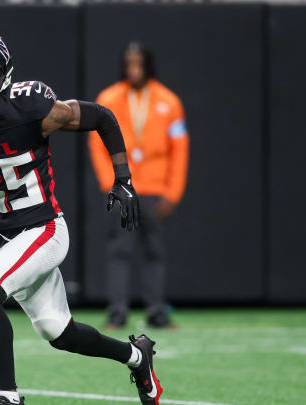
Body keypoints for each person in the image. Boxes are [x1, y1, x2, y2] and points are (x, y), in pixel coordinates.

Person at [0, 28, 162, 405]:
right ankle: (137, 357)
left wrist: (123, 179)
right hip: (6, 240)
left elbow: (102, 116)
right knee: (59, 333)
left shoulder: (30, 106)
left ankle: (9, 396)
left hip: (45, 228)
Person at [89, 41, 189, 329]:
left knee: (154, 252)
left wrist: (173, 192)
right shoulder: (108, 98)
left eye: (138, 64)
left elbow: (179, 151)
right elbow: (96, 144)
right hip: (124, 189)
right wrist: (110, 182)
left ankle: (156, 311)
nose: (133, 70)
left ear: (148, 65)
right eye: (129, 64)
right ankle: (117, 311)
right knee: (119, 252)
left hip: (156, 190)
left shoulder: (169, 101)